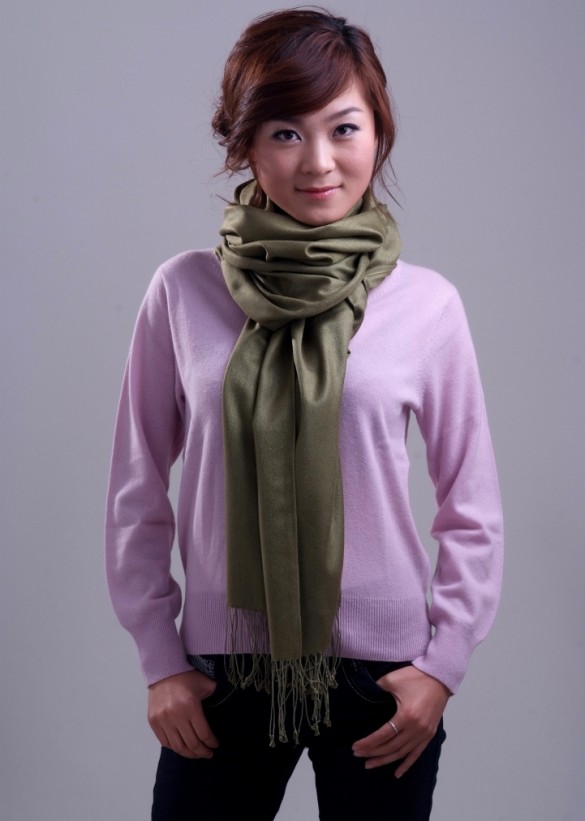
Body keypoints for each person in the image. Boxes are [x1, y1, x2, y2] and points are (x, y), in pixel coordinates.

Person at [105, 8, 503, 820]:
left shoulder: (427, 304)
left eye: (343, 128)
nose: (318, 161)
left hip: (382, 681)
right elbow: (135, 490)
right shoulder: (182, 291)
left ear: (378, 134)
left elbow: (472, 506)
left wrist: (441, 667)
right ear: (244, 144)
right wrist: (160, 659)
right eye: (285, 132)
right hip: (223, 667)